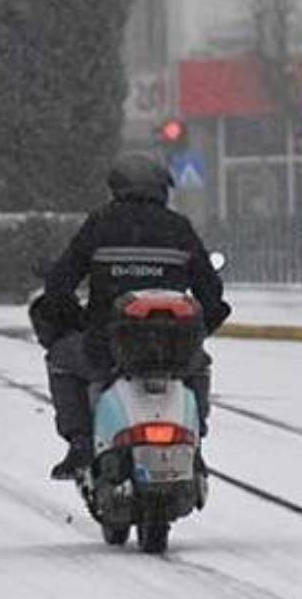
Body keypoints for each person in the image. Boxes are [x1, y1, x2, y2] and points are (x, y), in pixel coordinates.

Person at [30, 153, 231, 480]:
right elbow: (211, 293)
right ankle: (194, 446)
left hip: (105, 350)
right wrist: (196, 332)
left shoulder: (100, 224)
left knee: (60, 359)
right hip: (174, 355)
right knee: (200, 365)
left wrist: (77, 320)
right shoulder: (179, 229)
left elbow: (60, 283)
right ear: (162, 189)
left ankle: (80, 441)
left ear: (117, 188)